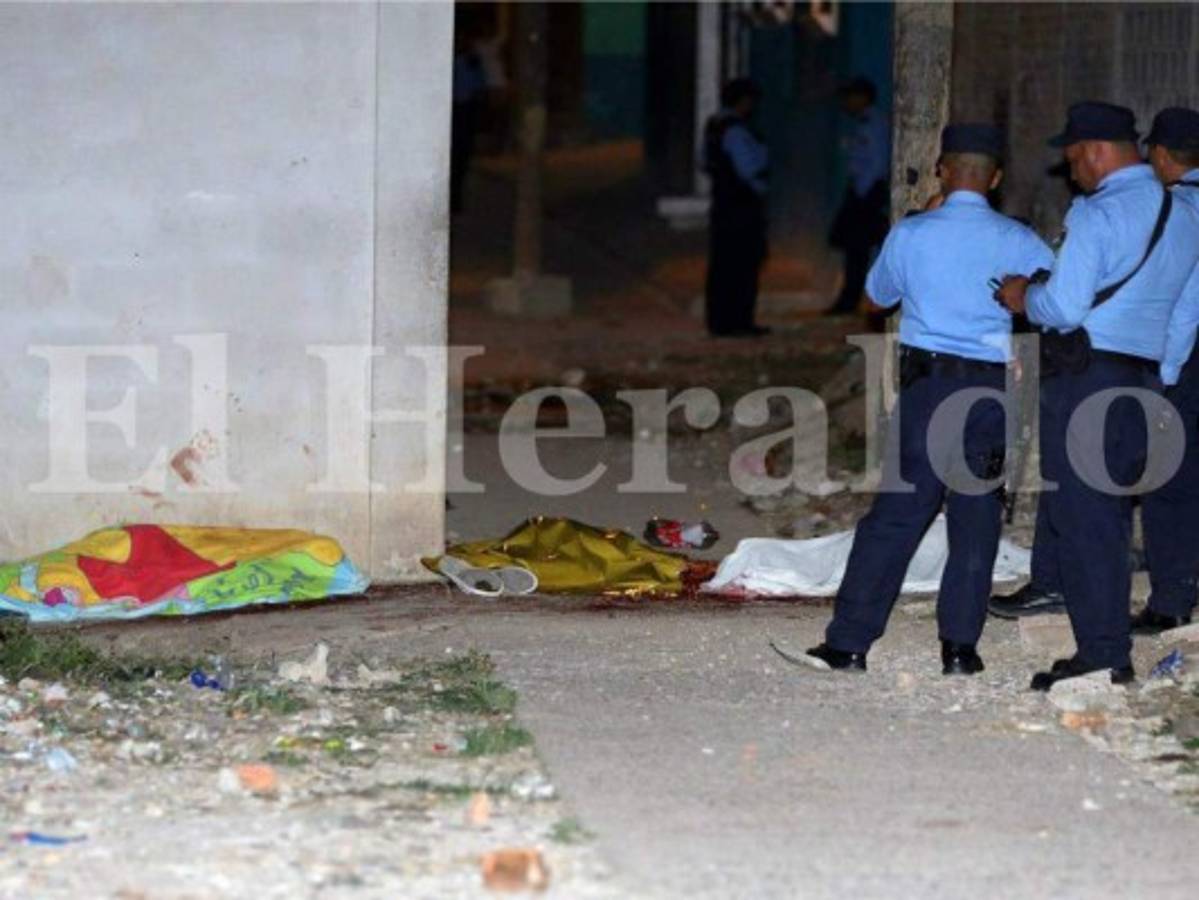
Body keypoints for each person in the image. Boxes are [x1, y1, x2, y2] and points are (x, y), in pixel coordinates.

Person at [804, 124, 1053, 675]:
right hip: (988, 390)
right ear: (996, 177)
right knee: (976, 517)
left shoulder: (911, 234)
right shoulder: (1018, 238)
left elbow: (874, 298)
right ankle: (960, 650)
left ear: (942, 169)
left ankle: (849, 644)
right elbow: (1052, 295)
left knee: (896, 516)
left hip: (929, 388)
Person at [995, 102, 1199, 690]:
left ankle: (1103, 655)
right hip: (1146, 382)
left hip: (1089, 383)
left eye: (1074, 161)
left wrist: (1020, 298)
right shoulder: (1183, 212)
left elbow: (1062, 307)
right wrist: (1164, 376)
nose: (1073, 173)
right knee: (1110, 516)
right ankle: (1107, 647)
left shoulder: (1096, 213)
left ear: (1096, 152)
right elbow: (1186, 312)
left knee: (1089, 523)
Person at [1137, 107, 1199, 634]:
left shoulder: (1177, 209)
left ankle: (1172, 598)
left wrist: (1168, 372)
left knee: (1170, 479)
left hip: (1187, 356)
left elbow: (1186, 303)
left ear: (1159, 155)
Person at [703, 78, 770, 338]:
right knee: (743, 264)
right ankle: (739, 322)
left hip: (722, 203)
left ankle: (719, 321)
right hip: (741, 206)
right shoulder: (737, 131)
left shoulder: (714, 126)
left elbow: (705, 162)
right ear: (744, 101)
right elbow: (748, 169)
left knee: (722, 263)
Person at [826, 78, 891, 316]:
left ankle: (852, 299)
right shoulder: (864, 123)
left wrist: (862, 196)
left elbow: (876, 163)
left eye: (850, 97)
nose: (846, 103)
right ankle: (850, 298)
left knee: (859, 248)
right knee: (855, 249)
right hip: (862, 192)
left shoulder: (873, 123)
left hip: (868, 194)